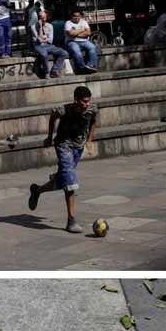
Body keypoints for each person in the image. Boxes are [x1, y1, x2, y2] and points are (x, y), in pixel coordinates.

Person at [28, 84, 98, 234]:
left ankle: (37, 190)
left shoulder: (92, 109)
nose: (86, 104)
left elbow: (93, 121)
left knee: (62, 180)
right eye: (84, 101)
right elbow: (53, 117)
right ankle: (71, 220)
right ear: (75, 100)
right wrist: (49, 136)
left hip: (78, 146)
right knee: (70, 180)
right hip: (63, 145)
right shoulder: (63, 110)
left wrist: (90, 140)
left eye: (88, 101)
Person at [30, 10, 70, 79]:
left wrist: (43, 40)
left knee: (64, 53)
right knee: (44, 54)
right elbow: (39, 40)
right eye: (41, 18)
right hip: (38, 46)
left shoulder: (50, 26)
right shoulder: (33, 27)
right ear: (38, 18)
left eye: (44, 18)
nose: (43, 20)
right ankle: (47, 73)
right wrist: (40, 28)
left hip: (49, 46)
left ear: (46, 17)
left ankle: (55, 70)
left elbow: (50, 40)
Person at [64, 10, 99, 74]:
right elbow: (70, 33)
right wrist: (82, 30)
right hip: (72, 41)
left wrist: (75, 33)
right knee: (76, 51)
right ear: (71, 16)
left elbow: (88, 33)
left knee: (92, 47)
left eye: (78, 16)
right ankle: (82, 67)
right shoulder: (68, 23)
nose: (77, 18)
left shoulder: (84, 22)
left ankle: (91, 66)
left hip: (84, 41)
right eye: (75, 16)